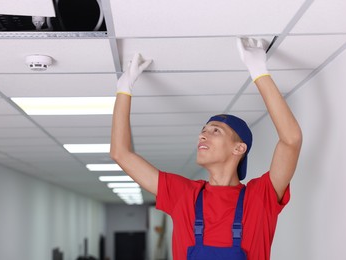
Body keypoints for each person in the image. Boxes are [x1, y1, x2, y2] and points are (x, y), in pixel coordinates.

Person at [110, 38, 302, 260]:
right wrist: (124, 89)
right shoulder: (183, 195)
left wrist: (259, 72)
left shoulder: (261, 197)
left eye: (216, 131)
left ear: (239, 148)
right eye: (204, 130)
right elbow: (120, 153)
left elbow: (291, 140)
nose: (202, 134)